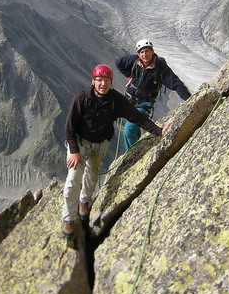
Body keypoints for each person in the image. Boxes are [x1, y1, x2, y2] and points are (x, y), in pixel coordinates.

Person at [62, 64, 169, 238]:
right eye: (99, 80)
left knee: (92, 176)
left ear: (111, 82)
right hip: (80, 143)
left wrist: (159, 131)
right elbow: (69, 127)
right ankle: (68, 219)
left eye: (106, 81)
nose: (103, 84)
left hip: (99, 145)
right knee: (73, 179)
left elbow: (136, 117)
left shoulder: (116, 100)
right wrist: (74, 151)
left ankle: (84, 202)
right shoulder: (81, 99)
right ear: (93, 81)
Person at [115, 39, 190, 151]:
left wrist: (189, 98)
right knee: (134, 128)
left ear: (152, 51)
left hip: (144, 103)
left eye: (147, 51)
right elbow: (119, 63)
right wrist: (129, 76)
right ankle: (135, 151)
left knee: (129, 130)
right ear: (138, 54)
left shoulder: (159, 67)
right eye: (142, 52)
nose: (144, 54)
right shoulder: (135, 61)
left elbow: (175, 83)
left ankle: (129, 158)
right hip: (130, 101)